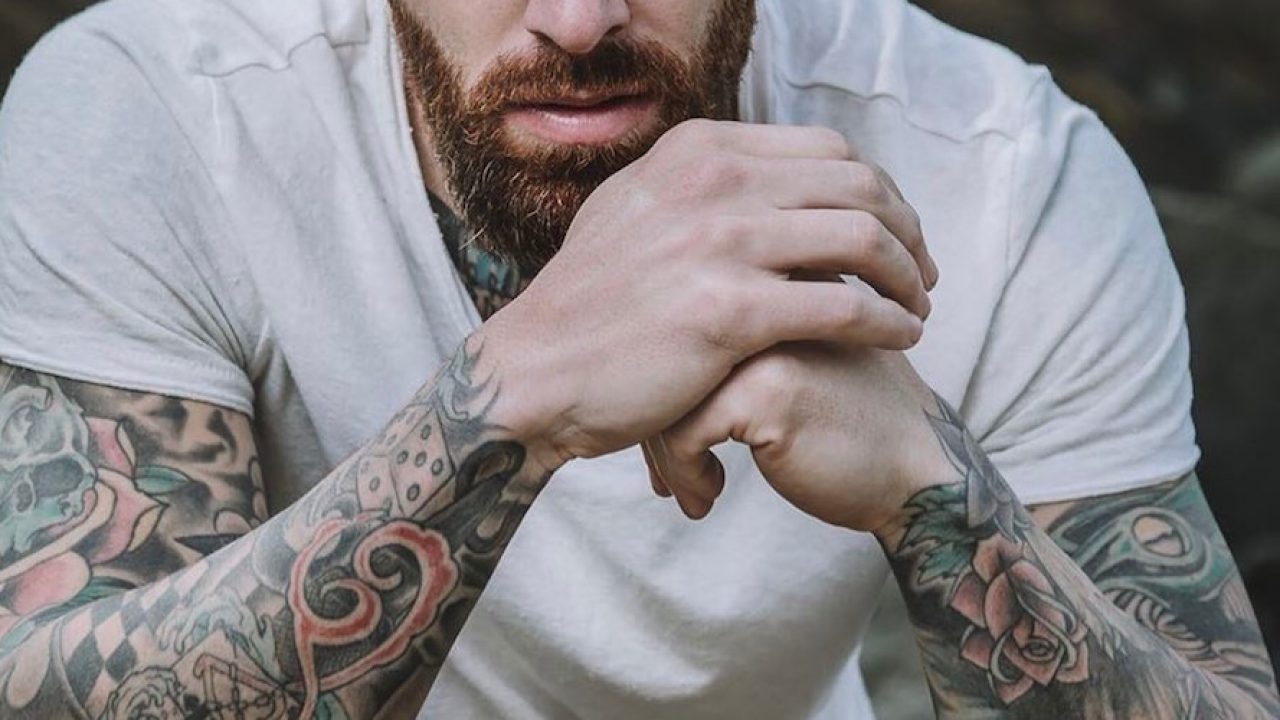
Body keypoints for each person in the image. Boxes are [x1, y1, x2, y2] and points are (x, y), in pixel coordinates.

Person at [0, 0, 1274, 716]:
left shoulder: (1003, 162)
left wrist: (938, 495)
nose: (576, 20)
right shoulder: (157, 107)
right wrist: (515, 401)